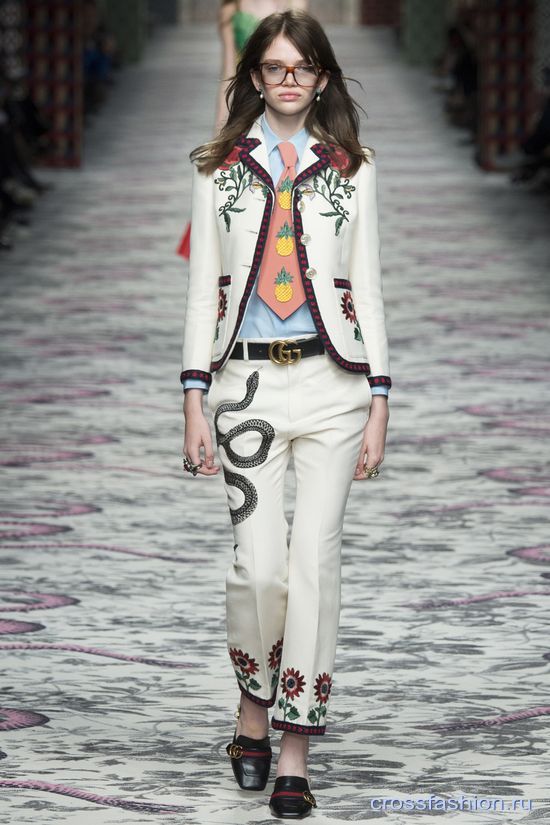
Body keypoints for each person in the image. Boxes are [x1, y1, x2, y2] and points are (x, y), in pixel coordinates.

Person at [180, 9, 391, 818]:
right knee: (258, 567)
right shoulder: (218, 169)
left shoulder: (353, 167)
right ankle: (251, 710)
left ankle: (294, 750)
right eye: (274, 67)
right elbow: (202, 291)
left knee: (314, 565)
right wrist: (192, 398)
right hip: (244, 387)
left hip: (336, 387)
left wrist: (379, 397)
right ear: (256, 78)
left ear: (323, 76)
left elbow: (367, 285)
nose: (289, 79)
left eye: (302, 67)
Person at [177, 0, 308, 259]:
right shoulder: (232, 11)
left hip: (286, 107)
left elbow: (305, 63)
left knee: (288, 179)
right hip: (246, 109)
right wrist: (219, 135)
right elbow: (228, 75)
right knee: (247, 189)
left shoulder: (295, 3)